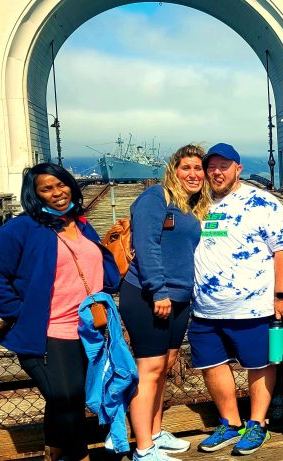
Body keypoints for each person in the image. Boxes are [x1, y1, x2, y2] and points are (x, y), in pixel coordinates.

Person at [0, 163, 120, 461]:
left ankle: (54, 451)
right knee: (64, 396)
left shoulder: (80, 223)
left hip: (88, 329)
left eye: (61, 184)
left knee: (72, 397)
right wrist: (18, 310)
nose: (57, 193)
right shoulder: (24, 227)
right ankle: (77, 455)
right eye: (47, 189)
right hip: (50, 330)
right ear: (35, 194)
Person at [189, 143, 283, 456]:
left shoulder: (262, 202)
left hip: (253, 306)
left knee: (260, 364)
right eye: (211, 167)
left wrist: (281, 295)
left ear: (238, 168)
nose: (217, 172)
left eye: (224, 166)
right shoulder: (197, 203)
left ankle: (257, 423)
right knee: (212, 365)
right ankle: (230, 422)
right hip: (205, 307)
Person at [120, 145, 210, 460]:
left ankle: (155, 433)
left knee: (165, 365)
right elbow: (146, 246)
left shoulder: (192, 205)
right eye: (186, 167)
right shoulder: (156, 197)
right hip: (149, 295)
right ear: (174, 169)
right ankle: (143, 449)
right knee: (150, 368)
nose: (193, 174)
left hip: (180, 297)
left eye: (198, 168)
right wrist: (158, 290)